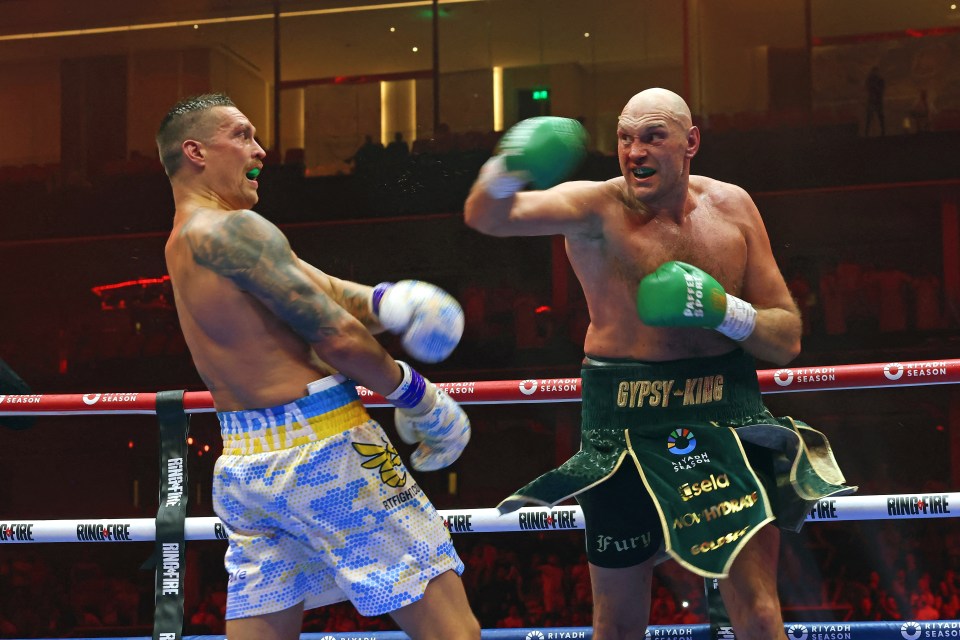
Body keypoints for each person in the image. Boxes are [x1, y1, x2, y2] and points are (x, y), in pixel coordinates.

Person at [464, 88, 855, 640]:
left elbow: (786, 337)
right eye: (625, 138)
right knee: (619, 621)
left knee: (760, 611)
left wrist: (724, 310)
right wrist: (510, 164)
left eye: (652, 137)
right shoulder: (594, 207)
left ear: (691, 142)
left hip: (726, 413)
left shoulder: (733, 208)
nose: (634, 152)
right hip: (624, 422)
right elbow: (488, 216)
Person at [157, 93, 479, 640]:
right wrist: (418, 397)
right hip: (325, 447)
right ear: (196, 151)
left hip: (244, 464)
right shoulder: (237, 230)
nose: (260, 149)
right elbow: (336, 336)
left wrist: (389, 302)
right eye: (241, 135)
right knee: (454, 631)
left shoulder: (189, 237)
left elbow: (321, 289)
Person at [865, 66, 886, 136]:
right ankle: (866, 133)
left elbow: (881, 90)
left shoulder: (880, 80)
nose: (874, 73)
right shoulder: (870, 80)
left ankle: (883, 131)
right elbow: (867, 88)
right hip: (872, 101)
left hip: (877, 101)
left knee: (880, 117)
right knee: (869, 118)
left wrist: (875, 86)